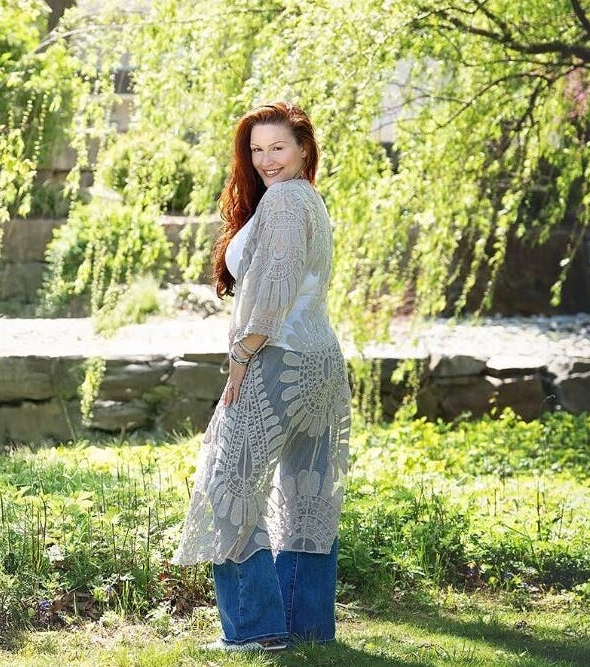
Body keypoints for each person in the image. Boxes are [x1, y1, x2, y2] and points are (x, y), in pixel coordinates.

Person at [171, 101, 352, 653]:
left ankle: (255, 630)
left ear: (303, 150)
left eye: (279, 147)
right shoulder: (308, 201)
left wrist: (241, 356)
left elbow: (276, 282)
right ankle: (306, 631)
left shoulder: (285, 199)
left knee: (229, 487)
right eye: (257, 150)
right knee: (306, 497)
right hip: (321, 363)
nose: (267, 159)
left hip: (279, 360)